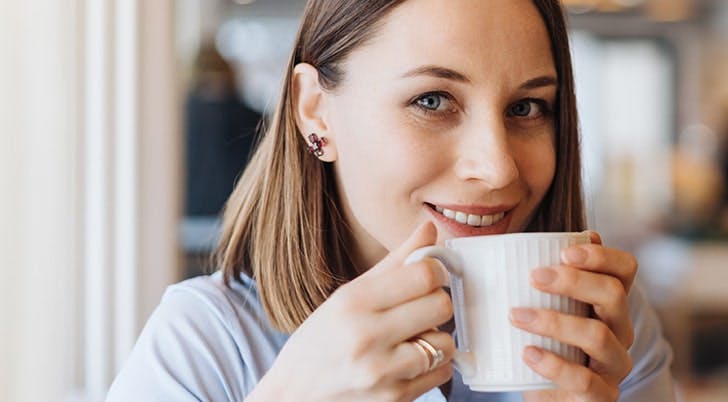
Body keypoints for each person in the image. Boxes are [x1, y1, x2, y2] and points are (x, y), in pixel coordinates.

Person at [106, 0, 676, 401]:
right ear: (315, 111)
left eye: (527, 108)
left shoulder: (604, 333)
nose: (498, 167)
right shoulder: (205, 344)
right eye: (433, 100)